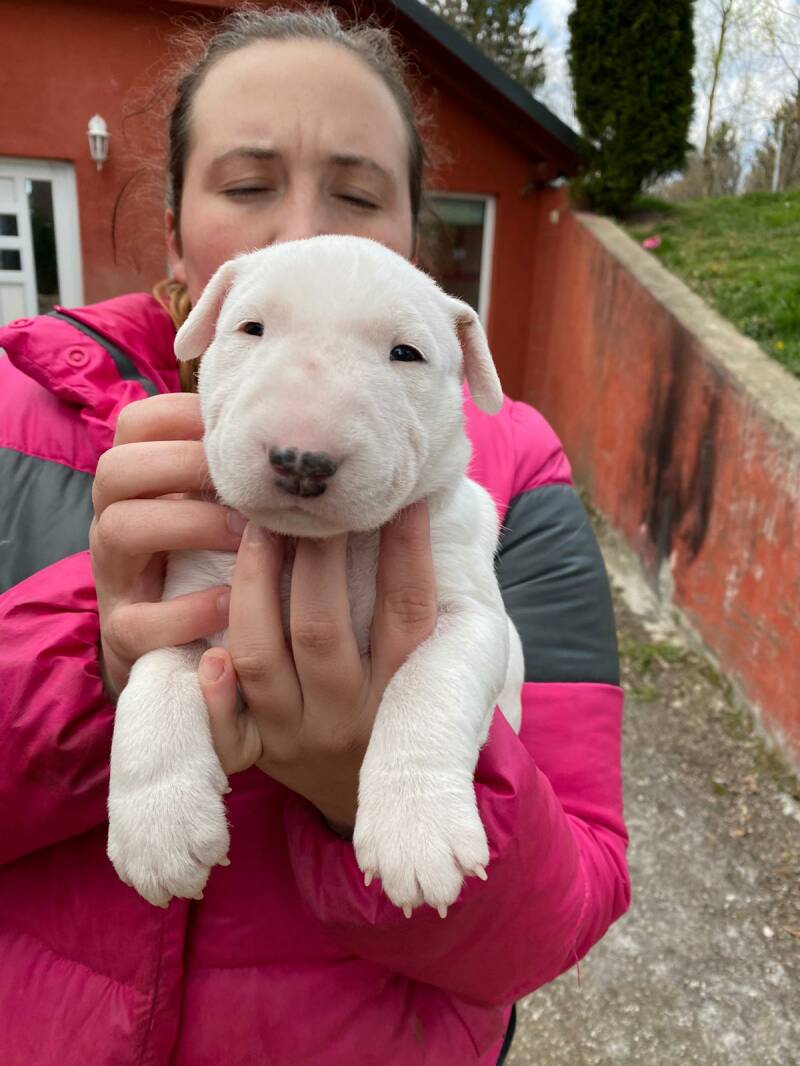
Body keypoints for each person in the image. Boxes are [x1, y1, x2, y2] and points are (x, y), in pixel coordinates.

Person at [0, 7, 629, 1064]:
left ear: (422, 267)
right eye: (248, 185)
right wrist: (113, 675)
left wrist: (387, 776)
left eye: (357, 195)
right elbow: (179, 657)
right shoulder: (16, 420)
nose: (300, 234)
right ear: (177, 239)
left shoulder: (504, 479)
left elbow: (477, 644)